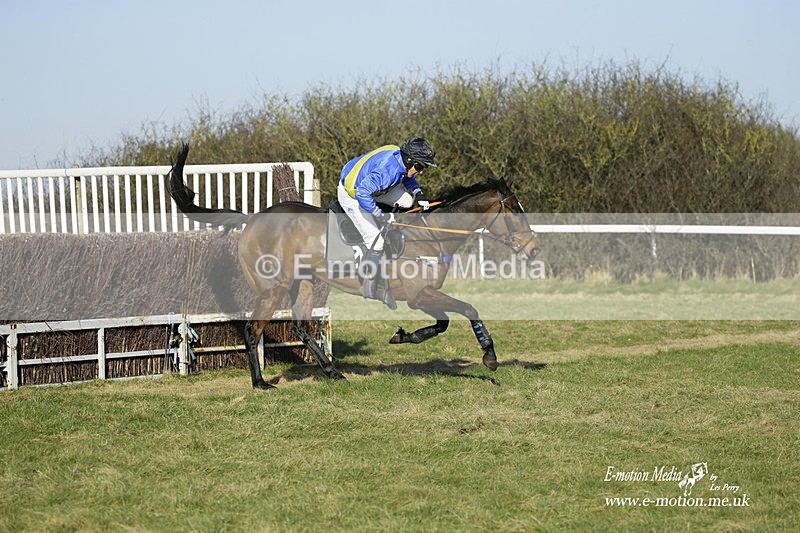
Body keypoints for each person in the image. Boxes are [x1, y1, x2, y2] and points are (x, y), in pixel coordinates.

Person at [337, 137, 437, 308]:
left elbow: (406, 176)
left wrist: (418, 193)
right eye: (420, 166)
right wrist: (380, 215)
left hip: (373, 188)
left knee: (406, 201)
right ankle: (371, 285)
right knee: (376, 241)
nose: (421, 171)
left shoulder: (401, 161)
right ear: (409, 160)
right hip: (353, 195)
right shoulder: (386, 172)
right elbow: (362, 194)